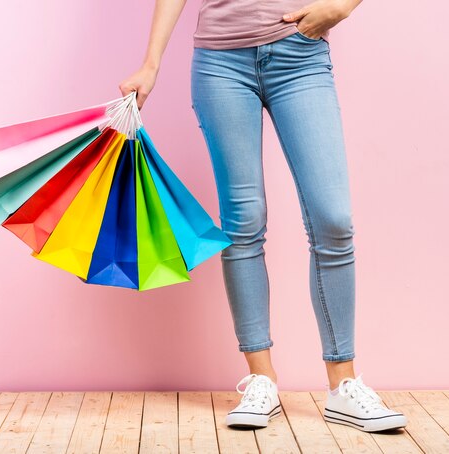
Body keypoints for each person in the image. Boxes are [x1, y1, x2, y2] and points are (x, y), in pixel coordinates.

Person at [119, 0, 408, 432]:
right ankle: (261, 379)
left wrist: (343, 6)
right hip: (220, 63)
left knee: (332, 219)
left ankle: (343, 384)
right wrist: (151, 63)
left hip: (300, 56)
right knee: (243, 221)